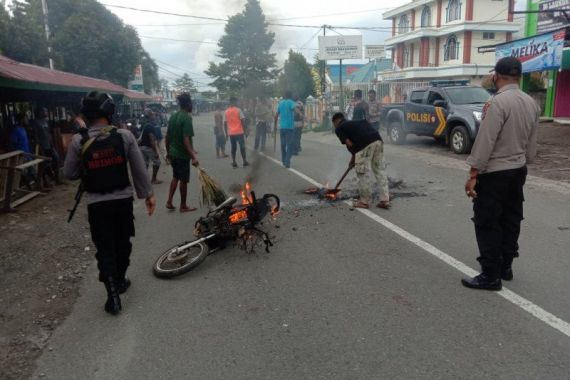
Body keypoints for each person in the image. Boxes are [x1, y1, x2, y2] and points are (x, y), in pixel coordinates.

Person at [63, 91, 156, 315]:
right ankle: (121, 280)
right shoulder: (124, 136)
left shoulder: (79, 140)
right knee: (123, 243)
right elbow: (139, 169)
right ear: (109, 111)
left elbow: (70, 174)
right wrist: (148, 195)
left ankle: (112, 295)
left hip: (97, 204)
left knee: (104, 248)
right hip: (123, 201)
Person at [462, 57, 540, 291]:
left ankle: (490, 275)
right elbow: (532, 144)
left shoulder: (497, 103)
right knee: (510, 219)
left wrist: (473, 173)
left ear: (497, 75)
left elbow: (486, 140)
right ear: (519, 76)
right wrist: (524, 162)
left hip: (496, 172)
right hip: (518, 170)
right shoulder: (531, 102)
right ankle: (505, 266)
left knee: (487, 221)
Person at [332, 112, 390, 210]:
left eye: (333, 124)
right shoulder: (356, 123)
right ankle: (385, 200)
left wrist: (354, 159)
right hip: (378, 141)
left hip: (364, 145)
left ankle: (364, 202)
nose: (334, 126)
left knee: (362, 173)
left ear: (336, 121)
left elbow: (350, 144)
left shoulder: (339, 128)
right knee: (380, 171)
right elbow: (355, 145)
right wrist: (353, 160)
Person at [165, 93, 200, 212]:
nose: (192, 106)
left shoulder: (173, 116)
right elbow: (186, 140)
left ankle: (169, 201)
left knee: (175, 177)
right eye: (192, 104)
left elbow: (167, 136)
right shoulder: (186, 118)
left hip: (173, 153)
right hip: (182, 155)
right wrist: (193, 156)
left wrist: (168, 152)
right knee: (183, 180)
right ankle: (183, 206)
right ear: (189, 104)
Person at [33, 107, 60, 185]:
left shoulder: (46, 121)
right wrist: (40, 148)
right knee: (44, 164)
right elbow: (36, 136)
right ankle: (46, 182)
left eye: (46, 111)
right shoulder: (36, 122)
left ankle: (57, 179)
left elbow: (48, 133)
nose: (46, 112)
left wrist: (52, 143)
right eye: (44, 111)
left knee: (56, 159)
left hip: (50, 146)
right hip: (43, 147)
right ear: (39, 112)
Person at [139, 109, 162, 184]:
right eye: (152, 114)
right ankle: (153, 179)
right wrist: (155, 152)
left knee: (145, 164)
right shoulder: (150, 126)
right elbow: (152, 141)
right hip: (147, 147)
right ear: (150, 116)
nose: (154, 116)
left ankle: (143, 181)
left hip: (142, 147)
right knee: (157, 162)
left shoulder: (145, 124)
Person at [274, 91, 297, 168]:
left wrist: (275, 123)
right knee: (290, 145)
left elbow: (276, 114)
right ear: (290, 96)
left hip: (282, 127)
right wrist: (301, 114)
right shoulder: (291, 102)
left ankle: (284, 160)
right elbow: (295, 109)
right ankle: (287, 161)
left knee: (283, 145)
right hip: (289, 127)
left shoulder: (281, 103)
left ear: (285, 95)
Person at [225, 97, 249, 168]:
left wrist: (226, 133)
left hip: (231, 133)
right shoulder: (238, 110)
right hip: (239, 132)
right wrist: (245, 131)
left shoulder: (226, 111)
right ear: (235, 102)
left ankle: (234, 162)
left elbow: (225, 123)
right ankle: (244, 161)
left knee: (233, 147)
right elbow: (242, 121)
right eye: (236, 102)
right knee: (242, 147)